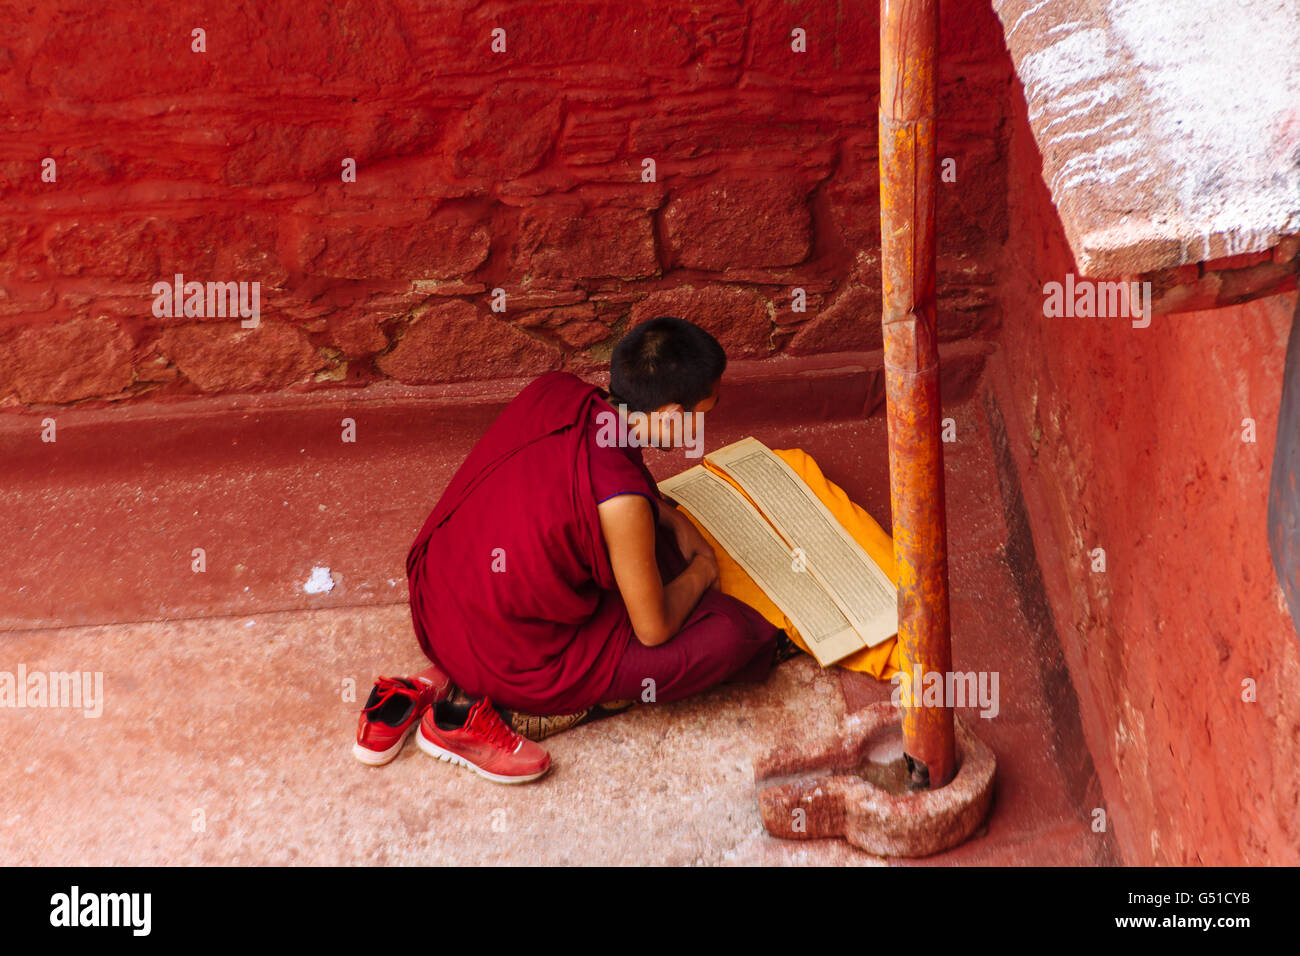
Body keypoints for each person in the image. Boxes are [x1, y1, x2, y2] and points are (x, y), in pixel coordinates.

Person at [402, 316, 786, 783]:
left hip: (435, 603)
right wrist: (704, 569)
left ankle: (451, 682)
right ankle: (503, 714)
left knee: (658, 549)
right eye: (701, 415)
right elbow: (654, 630)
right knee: (731, 633)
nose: (700, 428)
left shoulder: (557, 392)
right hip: (508, 659)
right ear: (668, 416)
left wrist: (666, 513)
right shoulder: (620, 503)